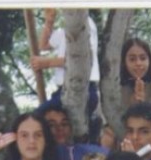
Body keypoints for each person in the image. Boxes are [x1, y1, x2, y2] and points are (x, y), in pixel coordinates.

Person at [30, 9, 102, 143]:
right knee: (47, 122)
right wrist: (49, 22)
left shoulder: (86, 24)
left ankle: (92, 130)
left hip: (83, 88)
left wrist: (48, 63)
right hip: (63, 90)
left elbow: (82, 59)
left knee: (37, 116)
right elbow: (43, 45)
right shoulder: (65, 30)